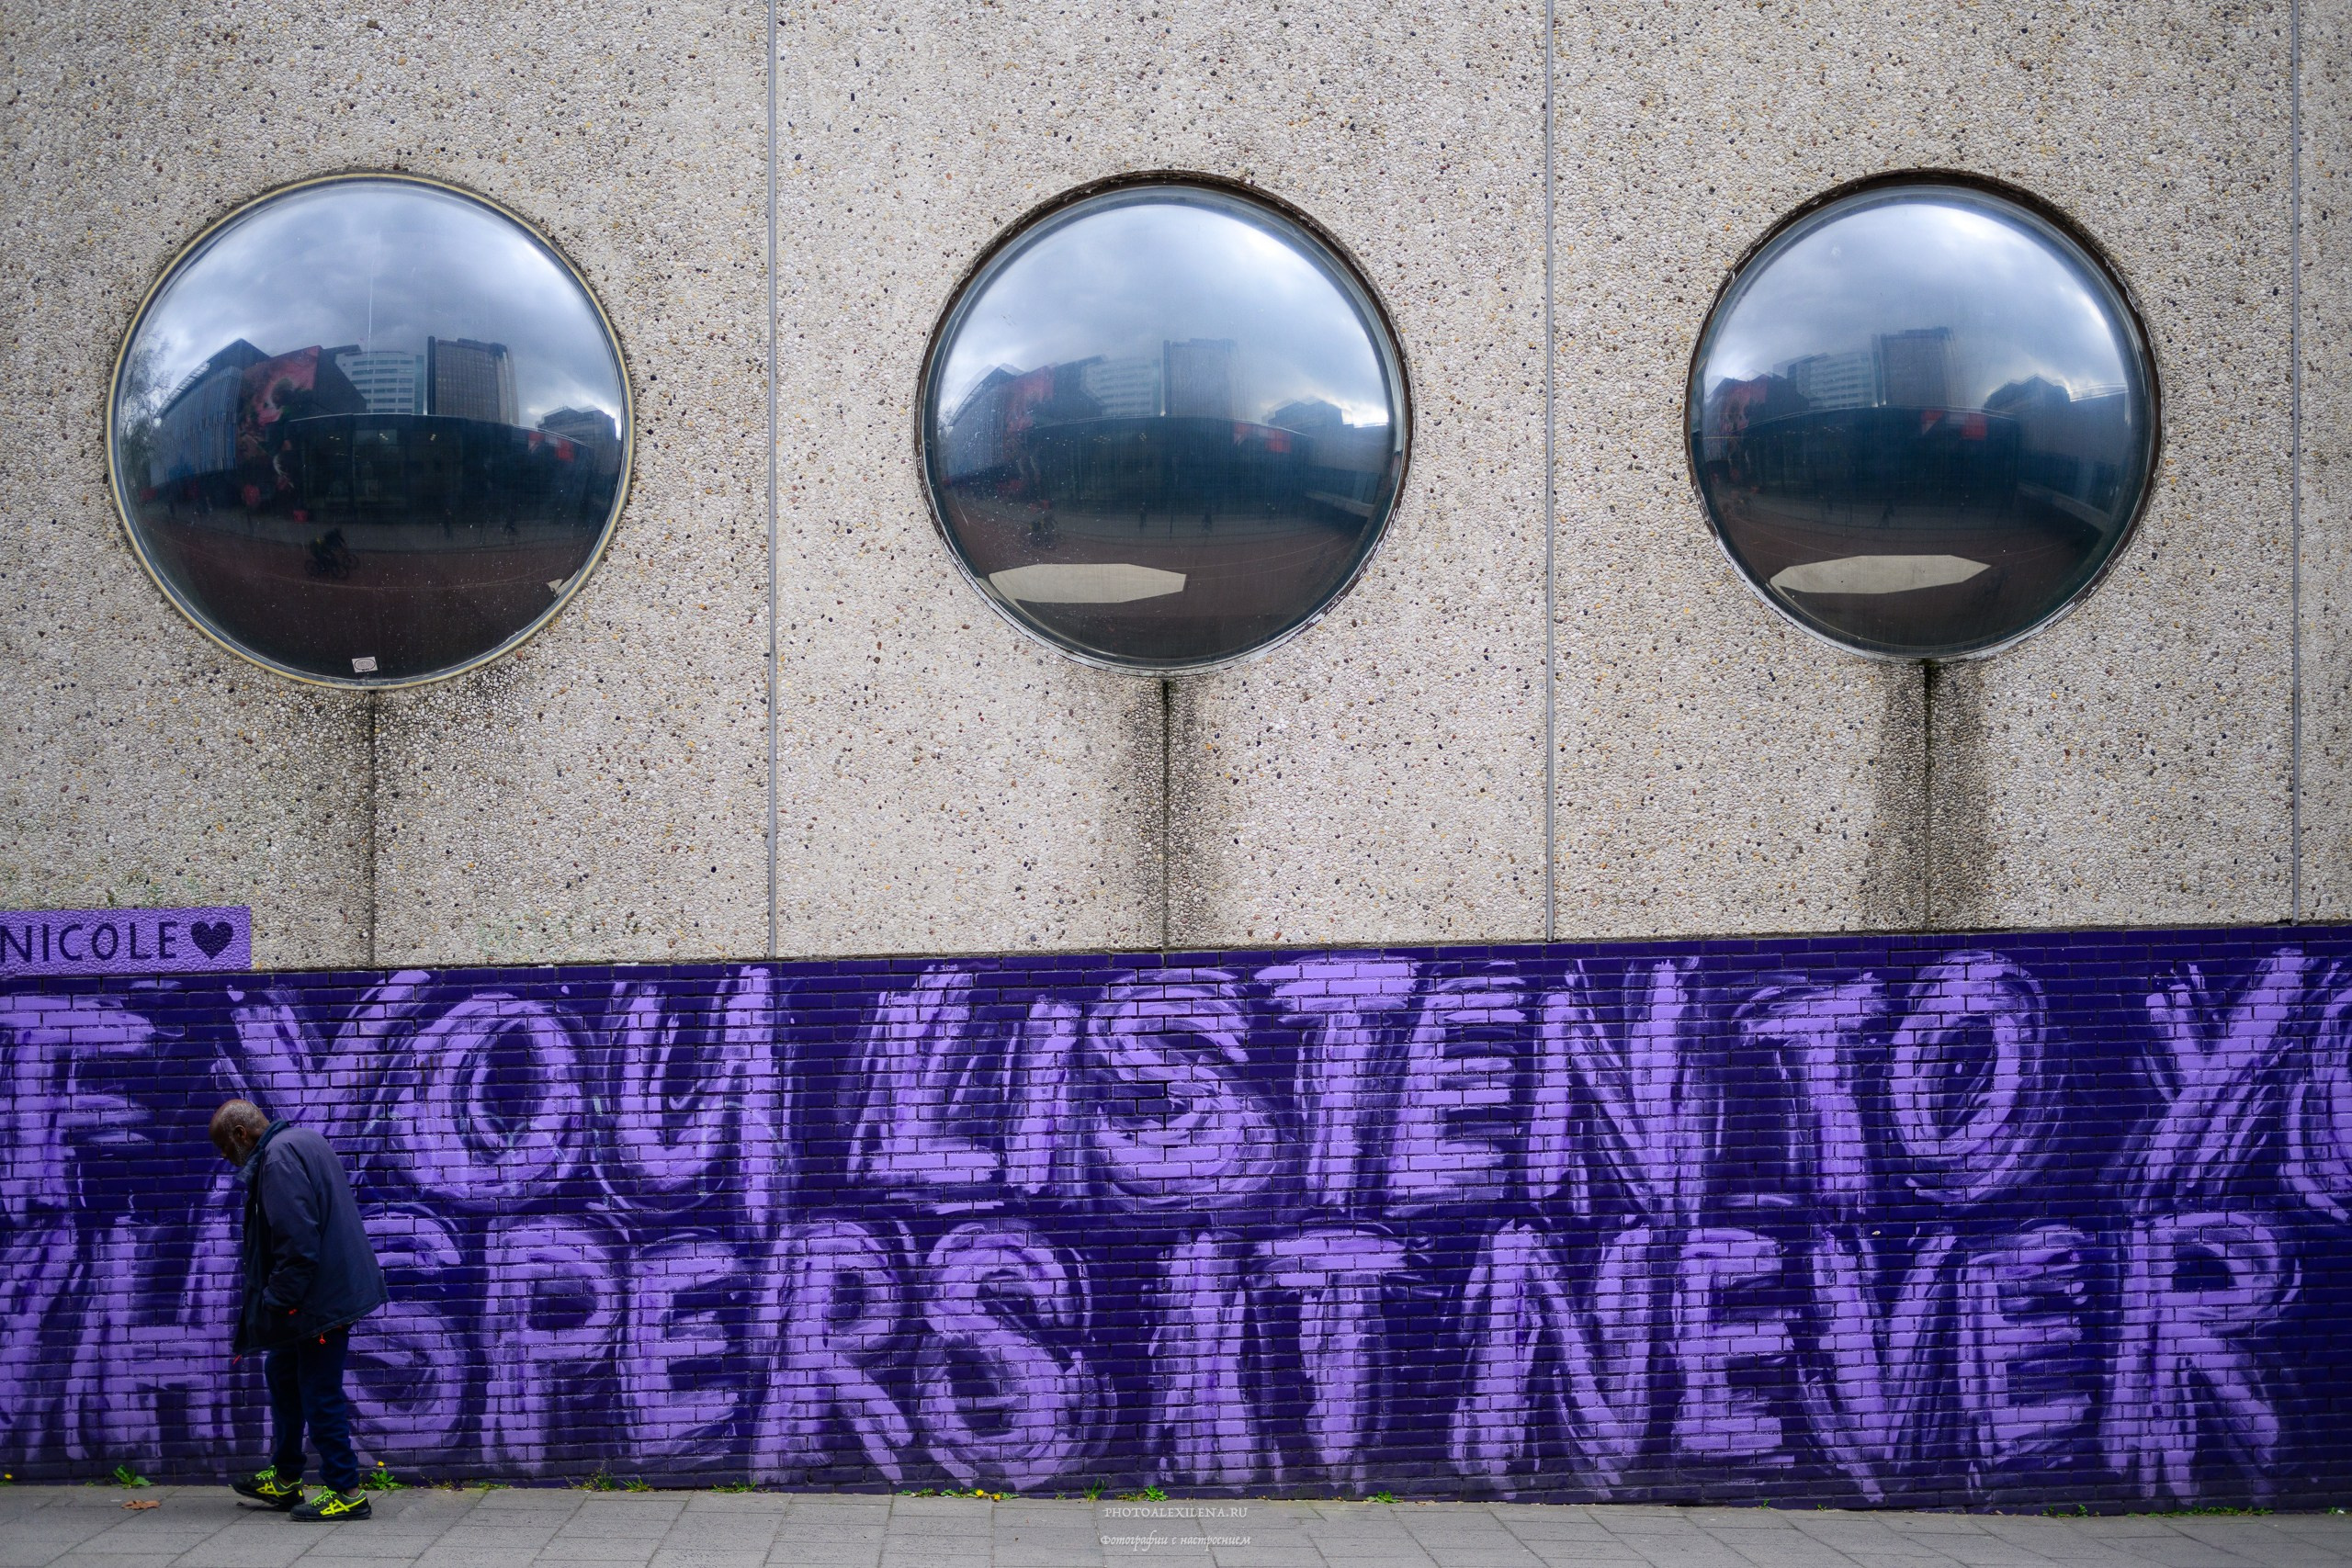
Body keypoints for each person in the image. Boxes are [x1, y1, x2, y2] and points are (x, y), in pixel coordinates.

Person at [209, 1100, 388, 1522]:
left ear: (241, 1134)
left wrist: (276, 1302)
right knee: (283, 1374)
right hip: (322, 1292)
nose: (226, 1157)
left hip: (317, 1302)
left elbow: (298, 1246)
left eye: (225, 1147)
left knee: (319, 1392)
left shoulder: (278, 1160)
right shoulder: (302, 1139)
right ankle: (287, 1477)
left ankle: (346, 1491)